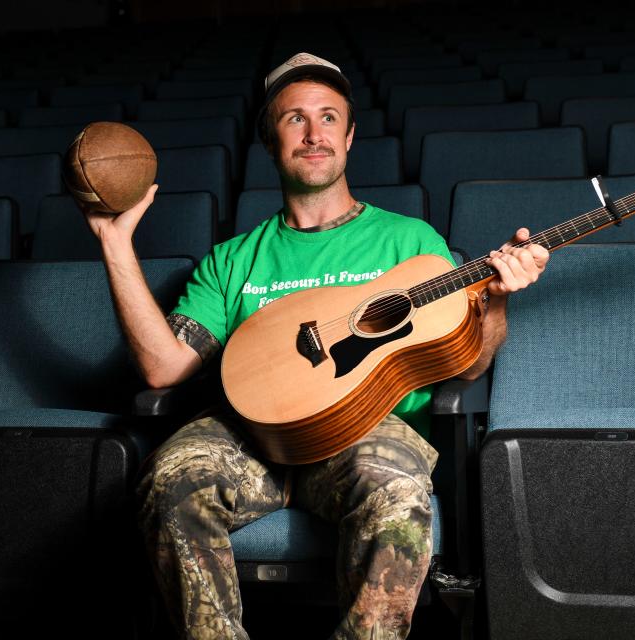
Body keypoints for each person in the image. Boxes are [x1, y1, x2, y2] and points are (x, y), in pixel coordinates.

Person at [81, 53, 549, 640]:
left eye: (329, 118)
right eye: (294, 119)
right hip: (250, 436)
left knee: (397, 494)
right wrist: (115, 244)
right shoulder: (232, 260)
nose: (313, 133)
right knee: (167, 479)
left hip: (368, 433)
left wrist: (498, 300)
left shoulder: (412, 244)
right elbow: (160, 368)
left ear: (349, 137)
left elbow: (471, 364)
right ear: (269, 141)